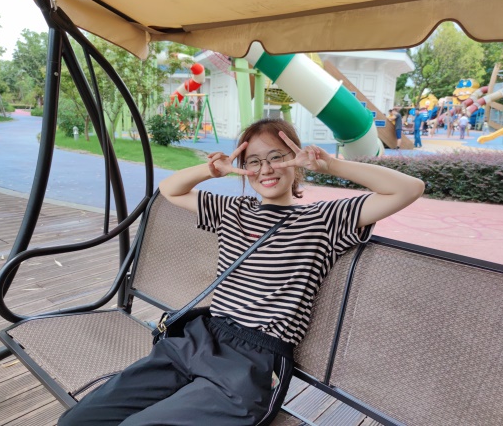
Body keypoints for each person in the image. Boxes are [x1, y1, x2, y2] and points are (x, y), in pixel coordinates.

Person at [58, 118, 424, 426]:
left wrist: (332, 166)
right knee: (79, 420)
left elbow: (409, 189)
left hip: (252, 363)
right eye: (253, 162)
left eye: (277, 157)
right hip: (198, 340)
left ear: (295, 160)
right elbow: (170, 190)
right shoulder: (233, 210)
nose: (266, 169)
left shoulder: (322, 219)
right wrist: (211, 170)